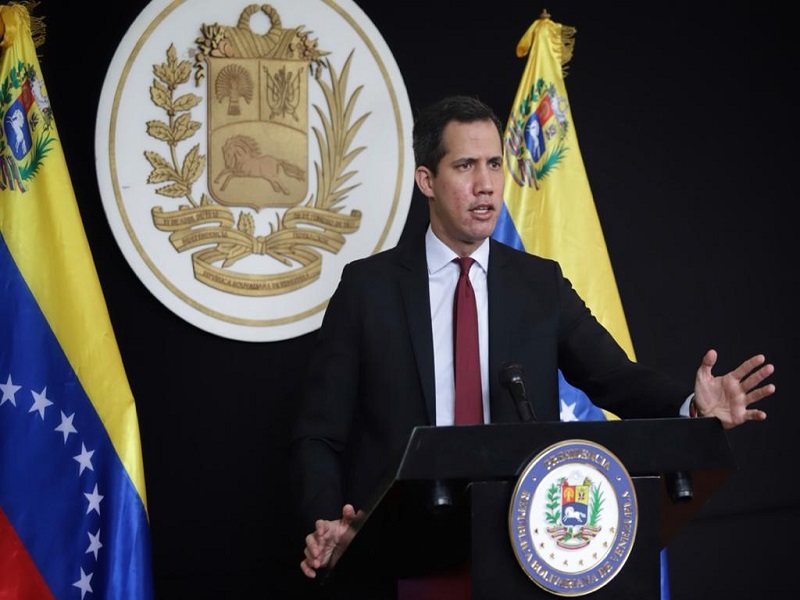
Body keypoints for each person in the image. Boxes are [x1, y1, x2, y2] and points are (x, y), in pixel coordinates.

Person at [289, 95, 776, 595]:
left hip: (520, 548)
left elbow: (613, 377)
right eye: (465, 166)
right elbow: (319, 434)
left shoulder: (540, 284)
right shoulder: (368, 289)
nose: (485, 184)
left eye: (494, 164)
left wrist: (692, 406)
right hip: (401, 552)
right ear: (427, 181)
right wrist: (327, 521)